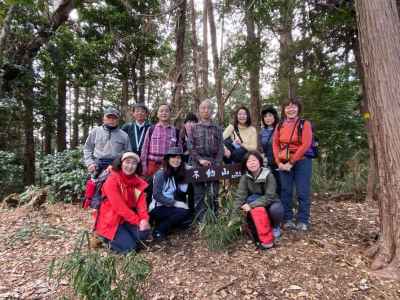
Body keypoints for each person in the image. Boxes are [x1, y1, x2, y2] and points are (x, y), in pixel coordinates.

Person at [94, 152, 150, 253]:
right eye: (127, 162)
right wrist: (138, 221)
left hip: (127, 219)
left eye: (134, 163)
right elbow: (120, 208)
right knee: (130, 249)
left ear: (137, 166)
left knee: (144, 233)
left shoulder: (138, 182)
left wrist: (144, 220)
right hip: (110, 220)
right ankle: (104, 238)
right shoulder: (112, 180)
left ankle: (125, 237)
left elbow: (141, 205)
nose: (130, 166)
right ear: (121, 163)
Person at [272, 97, 313, 231]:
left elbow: (306, 144)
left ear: (298, 108)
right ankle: (287, 219)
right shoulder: (280, 125)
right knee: (285, 191)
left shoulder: (304, 124)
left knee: (302, 191)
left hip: (302, 161)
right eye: (288, 107)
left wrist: (291, 162)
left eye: (294, 106)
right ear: (284, 110)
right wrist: (279, 162)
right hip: (283, 162)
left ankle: (303, 220)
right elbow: (275, 144)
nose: (291, 109)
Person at [235, 151, 284, 249]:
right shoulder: (245, 177)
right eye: (249, 161)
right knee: (249, 200)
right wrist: (234, 215)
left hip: (271, 202)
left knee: (276, 210)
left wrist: (251, 205)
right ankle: (261, 232)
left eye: (254, 160)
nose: (252, 163)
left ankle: (276, 226)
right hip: (256, 205)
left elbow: (270, 196)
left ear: (259, 162)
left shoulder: (269, 175)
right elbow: (240, 196)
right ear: (246, 164)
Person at [190, 99, 224, 222]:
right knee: (199, 194)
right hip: (197, 165)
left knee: (213, 193)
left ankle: (214, 218)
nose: (206, 110)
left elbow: (221, 147)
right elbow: (190, 147)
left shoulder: (217, 128)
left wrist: (217, 163)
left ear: (212, 111)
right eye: (203, 108)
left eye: (208, 108)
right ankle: (201, 220)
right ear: (199, 111)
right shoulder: (194, 128)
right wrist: (200, 160)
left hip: (213, 164)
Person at [149, 146, 191, 240]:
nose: (176, 160)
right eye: (173, 157)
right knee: (183, 212)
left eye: (179, 158)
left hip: (168, 206)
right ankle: (159, 230)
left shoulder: (174, 173)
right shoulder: (161, 174)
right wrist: (176, 203)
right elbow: (156, 195)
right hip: (157, 207)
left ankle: (164, 223)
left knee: (186, 215)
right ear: (168, 159)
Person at [83, 107, 131, 176]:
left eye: (114, 118)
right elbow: (87, 148)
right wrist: (90, 163)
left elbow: (128, 153)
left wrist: (116, 164)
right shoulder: (95, 131)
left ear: (117, 120)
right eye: (109, 117)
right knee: (93, 185)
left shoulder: (124, 135)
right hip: (97, 165)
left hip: (116, 166)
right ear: (103, 119)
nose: (111, 120)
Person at [140, 104, 181, 177]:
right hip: (152, 165)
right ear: (157, 114)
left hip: (169, 165)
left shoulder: (176, 131)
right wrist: (143, 167)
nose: (164, 113)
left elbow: (179, 151)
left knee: (168, 187)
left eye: (166, 111)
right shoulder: (151, 129)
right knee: (152, 187)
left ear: (170, 114)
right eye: (161, 111)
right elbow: (144, 149)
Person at [259, 106, 281, 195]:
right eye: (265, 116)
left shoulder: (280, 128)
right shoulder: (262, 131)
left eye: (270, 115)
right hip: (268, 163)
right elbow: (261, 147)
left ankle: (284, 206)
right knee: (270, 185)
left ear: (274, 116)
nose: (268, 118)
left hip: (280, 162)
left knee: (281, 185)